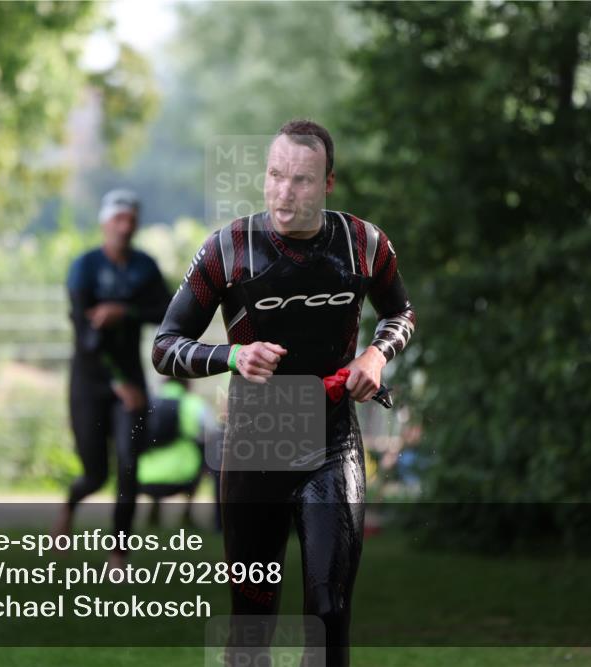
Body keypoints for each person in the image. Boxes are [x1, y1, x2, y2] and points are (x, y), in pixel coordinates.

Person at [151, 119, 416, 666]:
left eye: (300, 180)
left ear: (327, 185)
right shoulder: (229, 249)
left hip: (331, 443)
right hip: (255, 444)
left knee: (328, 617)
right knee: (250, 631)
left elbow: (401, 312)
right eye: (275, 175)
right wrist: (232, 356)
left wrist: (375, 354)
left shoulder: (364, 243)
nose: (283, 192)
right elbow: (165, 346)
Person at [56, 188, 171, 569]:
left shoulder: (145, 267)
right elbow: (84, 333)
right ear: (105, 222)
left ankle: (118, 553)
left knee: (128, 465)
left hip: (131, 384)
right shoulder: (84, 267)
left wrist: (124, 311)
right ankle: (69, 507)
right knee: (94, 474)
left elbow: (166, 312)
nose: (124, 227)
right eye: (118, 219)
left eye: (131, 220)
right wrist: (115, 380)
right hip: (90, 382)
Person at [137, 376, 221, 530]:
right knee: (205, 453)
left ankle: (154, 511)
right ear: (188, 384)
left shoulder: (148, 403)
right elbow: (213, 432)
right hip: (183, 477)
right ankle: (187, 515)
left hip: (144, 477)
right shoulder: (194, 404)